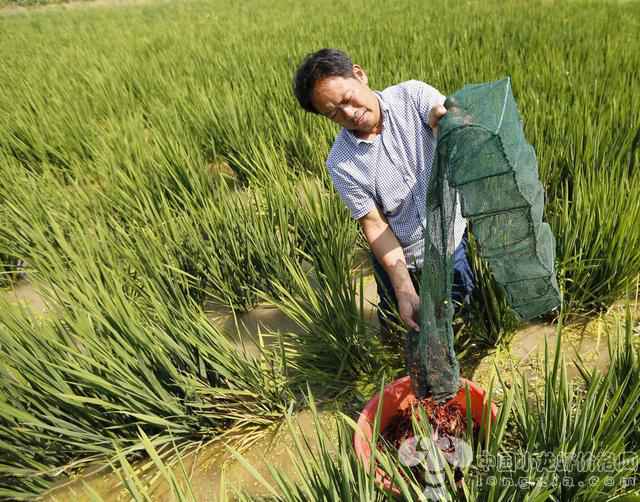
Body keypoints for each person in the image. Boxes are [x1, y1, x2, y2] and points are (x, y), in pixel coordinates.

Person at [292, 48, 475, 343]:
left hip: (448, 241)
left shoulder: (412, 96)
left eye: (347, 99)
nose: (349, 114)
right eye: (333, 113)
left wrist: (447, 121)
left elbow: (440, 115)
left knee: (461, 319)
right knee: (402, 327)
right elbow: (375, 224)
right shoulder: (341, 162)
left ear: (359, 75)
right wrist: (403, 288)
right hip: (398, 256)